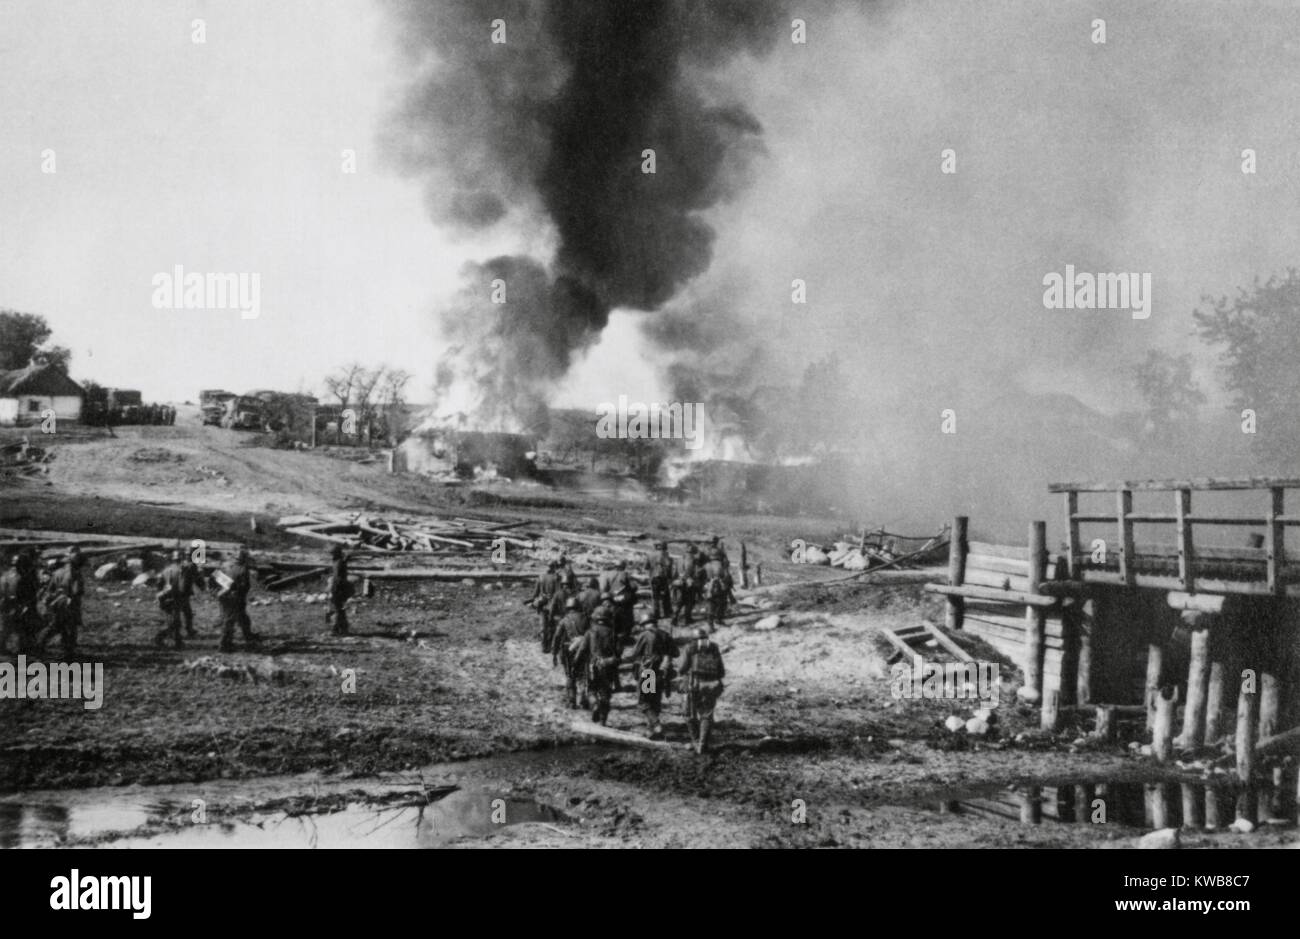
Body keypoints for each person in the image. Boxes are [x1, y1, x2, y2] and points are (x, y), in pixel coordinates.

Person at [628, 612, 678, 739]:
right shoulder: (665, 634)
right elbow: (676, 653)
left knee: (644, 702)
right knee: (655, 701)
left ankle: (656, 725)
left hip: (649, 672)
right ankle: (652, 731)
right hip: (662, 673)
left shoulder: (645, 635)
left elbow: (634, 653)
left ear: (644, 624)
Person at [678, 626, 726, 754]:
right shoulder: (714, 647)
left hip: (692, 685)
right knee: (706, 715)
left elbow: (682, 668)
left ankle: (695, 741)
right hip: (711, 685)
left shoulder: (689, 647)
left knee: (688, 714)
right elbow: (721, 671)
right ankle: (702, 744)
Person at [583, 605, 620, 726]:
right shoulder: (613, 633)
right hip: (608, 666)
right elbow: (619, 652)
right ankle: (603, 721)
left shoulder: (590, 632)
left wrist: (575, 665)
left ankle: (594, 704)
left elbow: (582, 649)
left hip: (593, 666)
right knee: (605, 693)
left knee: (591, 690)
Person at [216, 545, 259, 652]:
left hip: (224, 595)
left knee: (242, 617)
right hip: (234, 598)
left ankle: (248, 635)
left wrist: (222, 589)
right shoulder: (243, 570)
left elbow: (216, 576)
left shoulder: (226, 565)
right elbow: (244, 587)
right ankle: (224, 645)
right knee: (229, 621)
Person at [556, 597, 590, 709]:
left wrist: (554, 651)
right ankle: (583, 699)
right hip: (583, 649)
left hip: (569, 650)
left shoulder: (564, 620)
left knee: (570, 675)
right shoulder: (586, 618)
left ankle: (572, 701)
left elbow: (557, 636)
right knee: (583, 675)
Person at [154, 549, 189, 649]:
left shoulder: (165, 570)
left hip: (165, 599)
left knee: (174, 621)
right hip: (175, 599)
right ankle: (160, 638)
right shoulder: (181, 571)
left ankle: (178, 642)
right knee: (173, 622)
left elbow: (159, 586)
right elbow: (182, 588)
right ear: (180, 559)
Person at [528, 561, 562, 655]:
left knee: (543, 626)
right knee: (553, 626)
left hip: (542, 604)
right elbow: (558, 593)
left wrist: (532, 601)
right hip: (553, 605)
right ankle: (551, 645)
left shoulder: (541, 577)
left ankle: (544, 646)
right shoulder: (557, 578)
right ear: (554, 567)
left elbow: (535, 593)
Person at [327, 544, 353, 636]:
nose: (331, 555)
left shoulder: (338, 563)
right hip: (341, 587)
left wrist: (333, 590)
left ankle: (335, 629)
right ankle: (343, 629)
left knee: (336, 609)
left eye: (332, 554)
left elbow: (337, 578)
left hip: (338, 588)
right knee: (340, 609)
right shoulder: (340, 561)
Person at [647, 542, 675, 621]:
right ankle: (667, 613)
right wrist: (670, 578)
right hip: (663, 578)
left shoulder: (650, 554)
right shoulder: (665, 555)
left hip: (653, 578)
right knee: (665, 596)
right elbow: (669, 566)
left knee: (655, 597)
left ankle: (656, 614)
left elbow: (646, 566)